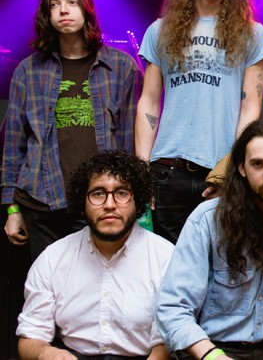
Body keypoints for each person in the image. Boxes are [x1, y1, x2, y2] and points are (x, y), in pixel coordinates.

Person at [135, 0, 263, 243]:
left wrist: (233, 167)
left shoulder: (252, 33)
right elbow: (149, 101)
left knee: (221, 270)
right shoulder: (160, 29)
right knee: (167, 270)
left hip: (220, 170)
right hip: (166, 171)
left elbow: (251, 106)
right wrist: (142, 169)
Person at [2, 0, 140, 259]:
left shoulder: (120, 66)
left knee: (97, 287)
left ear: (86, 9)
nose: (63, 10)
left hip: (101, 200)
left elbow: (128, 143)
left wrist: (131, 200)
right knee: (49, 290)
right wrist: (12, 208)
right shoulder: (28, 71)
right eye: (55, 4)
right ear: (47, 14)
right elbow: (13, 146)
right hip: (40, 202)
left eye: (71, 2)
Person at [156, 119, 263, 360]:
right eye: (258, 164)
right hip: (211, 348)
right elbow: (174, 309)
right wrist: (213, 356)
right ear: (241, 168)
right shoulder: (206, 220)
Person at [16, 150, 174, 359]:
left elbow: (166, 343)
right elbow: (30, 337)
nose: (110, 204)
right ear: (82, 204)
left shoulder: (166, 257)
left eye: (122, 193)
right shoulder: (53, 258)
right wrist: (47, 354)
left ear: (138, 203)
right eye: (98, 193)